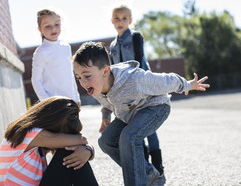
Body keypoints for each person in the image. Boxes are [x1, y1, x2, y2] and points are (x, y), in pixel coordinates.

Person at [72, 42, 210, 186]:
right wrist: (105, 115)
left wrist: (188, 85)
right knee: (105, 141)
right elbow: (107, 101)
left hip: (156, 107)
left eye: (86, 76)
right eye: (78, 77)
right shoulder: (95, 85)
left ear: (105, 71)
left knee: (129, 136)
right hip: (130, 113)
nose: (82, 82)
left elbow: (166, 80)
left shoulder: (134, 79)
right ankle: (147, 172)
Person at [109, 5, 165, 184]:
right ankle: (147, 170)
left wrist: (141, 85)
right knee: (134, 129)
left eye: (124, 18)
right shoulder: (112, 45)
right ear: (112, 21)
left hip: (142, 86)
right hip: (125, 93)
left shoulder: (135, 37)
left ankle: (159, 169)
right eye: (117, 18)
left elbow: (140, 60)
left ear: (130, 21)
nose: (120, 22)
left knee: (150, 130)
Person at [0, 96, 98, 186]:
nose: (63, 139)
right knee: (68, 151)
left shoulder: (34, 137)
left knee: (74, 152)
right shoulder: (31, 133)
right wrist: (87, 149)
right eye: (62, 134)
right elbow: (81, 140)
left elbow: (81, 143)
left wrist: (88, 150)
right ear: (53, 124)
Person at [31, 9, 81, 107]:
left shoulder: (66, 47)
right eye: (47, 26)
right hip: (54, 104)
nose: (53, 29)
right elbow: (35, 80)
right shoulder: (41, 51)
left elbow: (70, 75)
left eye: (56, 24)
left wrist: (76, 97)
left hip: (71, 101)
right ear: (40, 29)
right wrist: (47, 102)